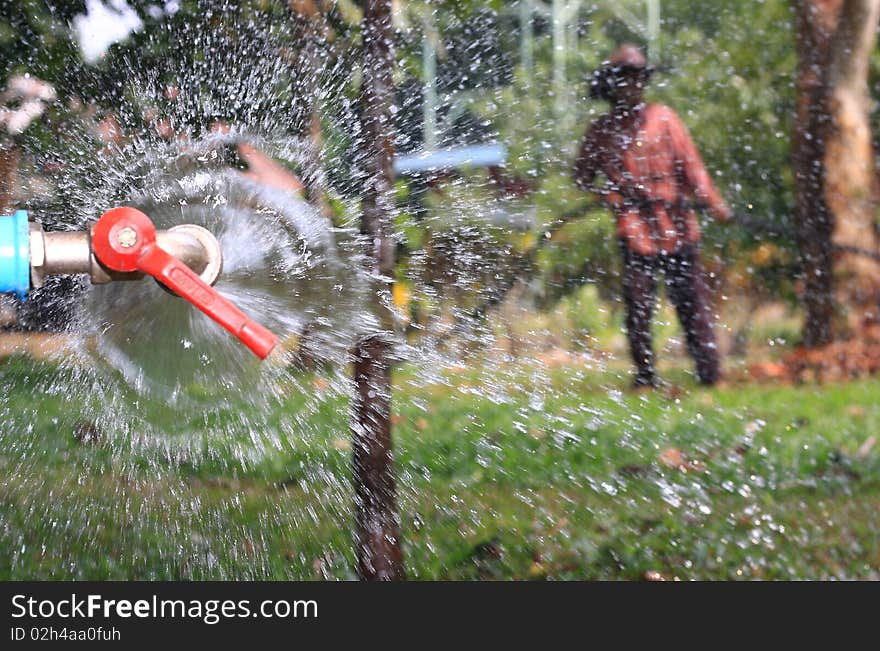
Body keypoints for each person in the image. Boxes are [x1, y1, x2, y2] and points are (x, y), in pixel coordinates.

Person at [573, 44, 732, 388]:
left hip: (676, 222)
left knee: (693, 303)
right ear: (612, 86)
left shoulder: (664, 118)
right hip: (634, 227)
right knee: (639, 306)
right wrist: (609, 196)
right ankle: (645, 376)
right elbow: (581, 178)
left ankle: (711, 375)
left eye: (638, 79)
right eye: (626, 80)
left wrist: (712, 201)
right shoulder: (601, 131)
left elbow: (692, 167)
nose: (633, 87)